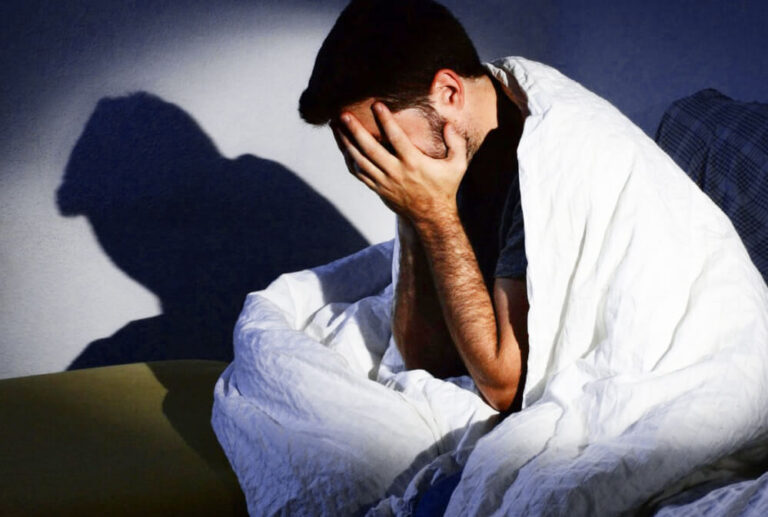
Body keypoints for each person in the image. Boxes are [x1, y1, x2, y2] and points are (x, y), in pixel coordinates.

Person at [299, 0, 531, 413]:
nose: (382, 165)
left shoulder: (543, 164)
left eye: (383, 142)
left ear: (448, 92)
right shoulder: (445, 164)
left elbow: (504, 388)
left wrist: (434, 214)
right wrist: (411, 211)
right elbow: (427, 363)